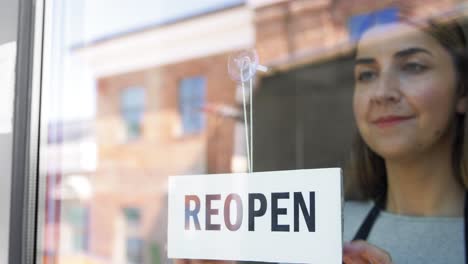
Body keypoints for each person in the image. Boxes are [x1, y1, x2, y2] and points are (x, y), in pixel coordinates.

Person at [342, 14, 468, 264]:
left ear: (462, 91)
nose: (382, 93)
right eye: (367, 74)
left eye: (413, 66)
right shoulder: (324, 233)